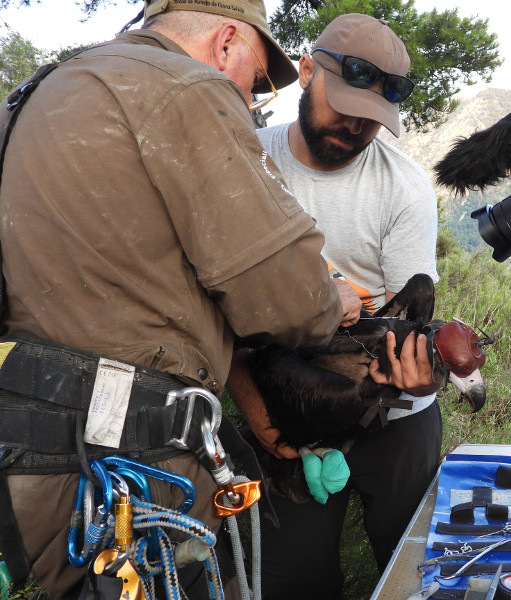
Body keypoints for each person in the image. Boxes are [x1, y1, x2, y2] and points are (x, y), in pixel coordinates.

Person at [0, 0, 346, 597]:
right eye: (260, 77)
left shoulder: (36, 95)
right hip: (142, 479)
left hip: (29, 469)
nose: (253, 96)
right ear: (227, 42)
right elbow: (290, 298)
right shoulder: (188, 87)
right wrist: (337, 301)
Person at [245, 13, 441, 599]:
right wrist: (263, 419)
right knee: (291, 579)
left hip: (393, 414)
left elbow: (411, 321)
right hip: (282, 396)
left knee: (414, 571)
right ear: (307, 73)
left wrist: (420, 375)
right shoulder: (245, 164)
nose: (355, 125)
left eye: (373, 119)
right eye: (344, 103)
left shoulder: (404, 187)